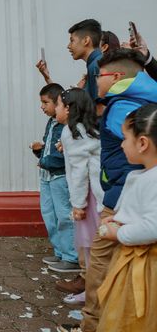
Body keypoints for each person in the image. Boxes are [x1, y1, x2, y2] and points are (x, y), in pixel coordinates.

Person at [76, 48, 157, 332]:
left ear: (117, 76)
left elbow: (129, 161)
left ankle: (93, 323)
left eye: (99, 76)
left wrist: (117, 214)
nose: (95, 82)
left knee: (99, 263)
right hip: (124, 195)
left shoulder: (124, 108)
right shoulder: (143, 98)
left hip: (121, 198)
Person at [96, 104, 157, 331]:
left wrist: (118, 232)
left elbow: (153, 225)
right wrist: (116, 220)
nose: (121, 144)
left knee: (133, 318)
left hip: (147, 265)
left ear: (142, 143)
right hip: (131, 259)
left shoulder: (153, 179)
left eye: (125, 138)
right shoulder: (141, 175)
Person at [54, 88, 104, 305]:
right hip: (95, 193)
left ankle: (93, 291)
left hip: (88, 196)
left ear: (68, 109)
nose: (55, 109)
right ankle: (93, 287)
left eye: (57, 105)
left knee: (91, 247)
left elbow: (80, 171)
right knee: (92, 246)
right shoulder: (85, 129)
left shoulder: (71, 132)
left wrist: (78, 204)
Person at [29, 83, 79, 273]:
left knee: (64, 216)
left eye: (45, 102)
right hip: (46, 176)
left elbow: (63, 155)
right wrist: (39, 152)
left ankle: (71, 257)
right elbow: (50, 149)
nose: (42, 107)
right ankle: (59, 252)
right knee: (49, 215)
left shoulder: (67, 126)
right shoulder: (51, 122)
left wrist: (46, 161)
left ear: (59, 102)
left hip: (59, 177)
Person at [35, 20, 102, 98]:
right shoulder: (95, 63)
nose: (68, 46)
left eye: (72, 40)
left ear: (86, 40)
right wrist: (47, 77)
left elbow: (99, 106)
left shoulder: (96, 66)